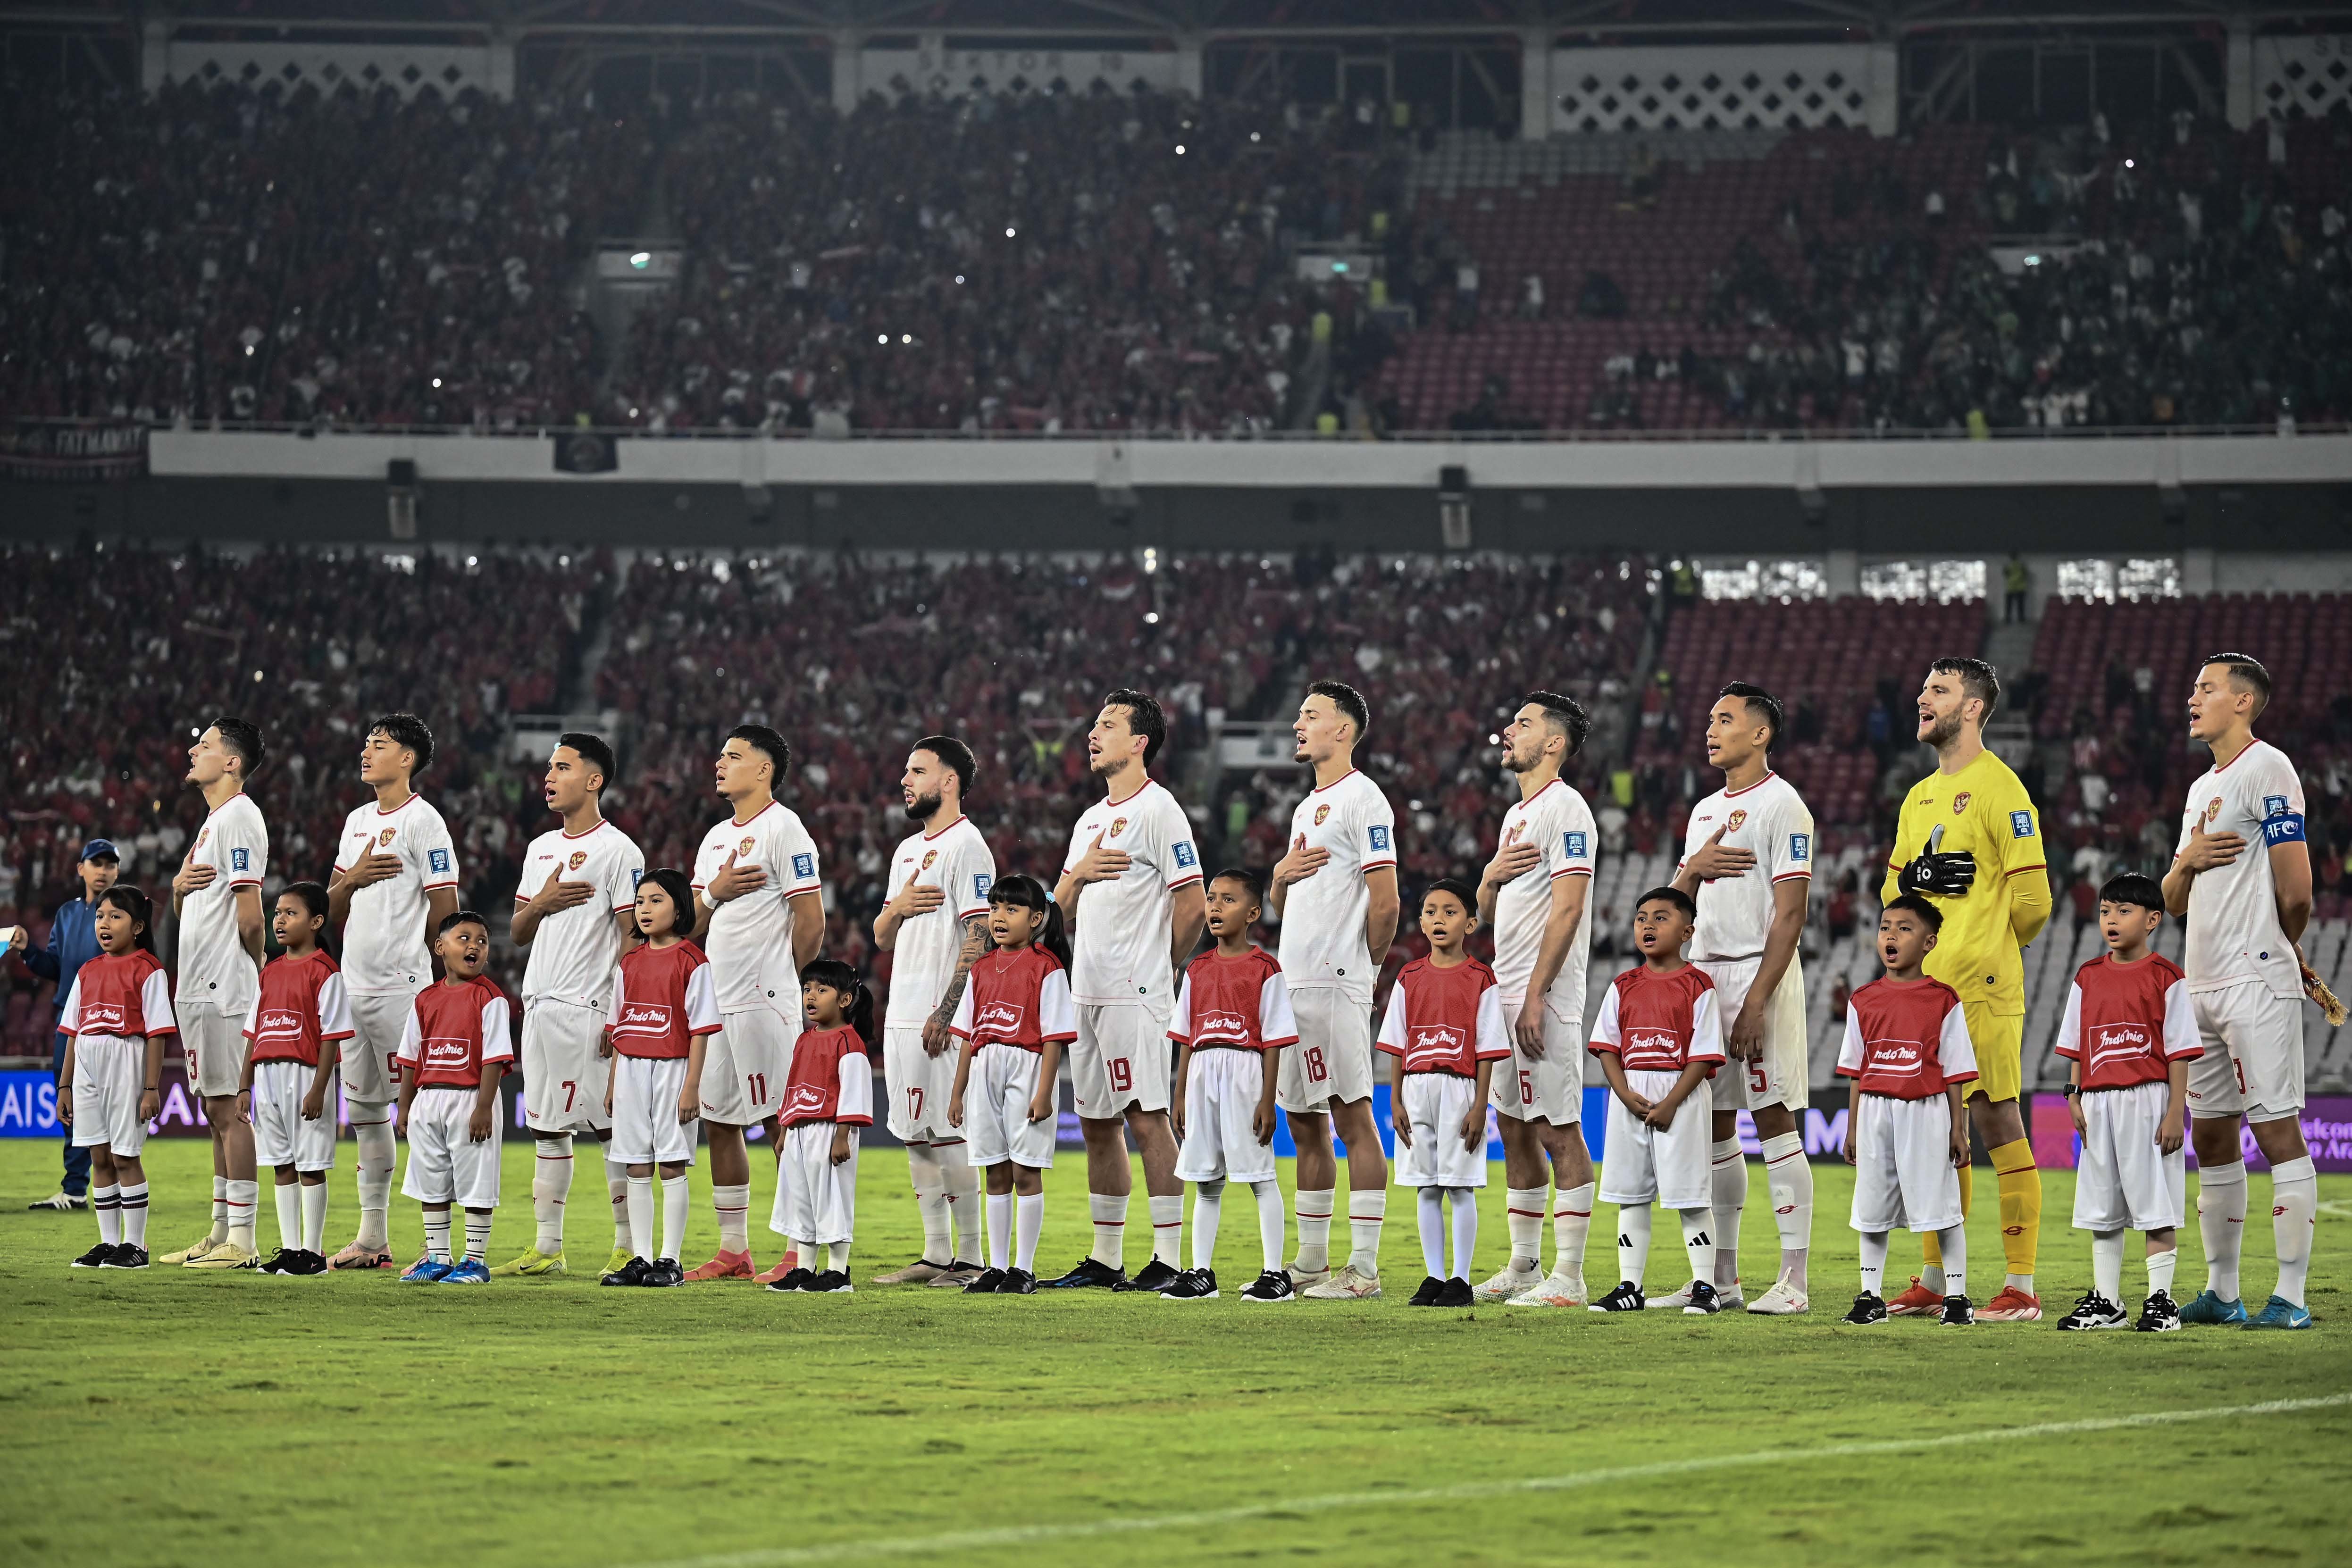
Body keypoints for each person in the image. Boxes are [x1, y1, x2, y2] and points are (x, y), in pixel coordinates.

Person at [1878, 658, 2051, 1321]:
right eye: (1923, 688)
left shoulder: (2001, 788)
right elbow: (1890, 894)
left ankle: (2022, 1287)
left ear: (1973, 708)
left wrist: (1984, 944)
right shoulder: (1919, 796)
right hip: (1926, 990)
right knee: (1933, 1137)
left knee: (1997, 1120)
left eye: (1939, 690)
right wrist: (1918, 876)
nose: (1922, 698)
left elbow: (2034, 901)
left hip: (1979, 986)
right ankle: (1934, 1277)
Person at [2161, 654, 2319, 1330]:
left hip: (2256, 979)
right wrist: (2186, 861)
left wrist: (2284, 946)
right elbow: (2170, 901)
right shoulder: (2202, 790)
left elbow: (2298, 888)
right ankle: (2222, 1293)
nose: (2192, 698)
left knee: (2276, 1130)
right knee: (2215, 1138)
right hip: (2202, 982)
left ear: (2245, 701)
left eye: (2206, 688)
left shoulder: (2270, 768)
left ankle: (2291, 1296)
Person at [1050, 690, 1205, 1292]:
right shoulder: (1090, 820)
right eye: (1093, 724)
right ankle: (1105, 1257)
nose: (1093, 733)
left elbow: (1190, 903)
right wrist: (1078, 872)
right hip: (1085, 989)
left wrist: (1159, 966)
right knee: (1095, 1123)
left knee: (1146, 1116)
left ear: (1139, 742)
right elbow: (1056, 910)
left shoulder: (1160, 811)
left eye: (1107, 725)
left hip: (1134, 990)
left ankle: (1167, 1256)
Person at [1672, 683, 1816, 1314]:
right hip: (1705, 978)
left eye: (1726, 720)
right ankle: (1720, 1278)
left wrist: (1757, 999)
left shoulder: (1784, 806)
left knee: (1774, 1117)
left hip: (1760, 975)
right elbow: (1673, 908)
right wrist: (1691, 869)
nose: (1712, 728)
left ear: (1760, 733)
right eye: (1710, 719)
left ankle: (1794, 1280)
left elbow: (1791, 915)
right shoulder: (1703, 811)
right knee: (1712, 1123)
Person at [1267, 681, 1399, 1301]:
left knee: (1351, 1117)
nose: (1299, 724)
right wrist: (1276, 878)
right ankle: (1312, 1261)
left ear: (1342, 730)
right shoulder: (1305, 808)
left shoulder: (1364, 798)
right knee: (1303, 1120)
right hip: (1296, 983)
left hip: (1337, 982)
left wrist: (1363, 970)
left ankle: (1365, 1271)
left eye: (1311, 715)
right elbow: (1285, 902)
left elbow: (1387, 901)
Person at [497, 733, 646, 1280]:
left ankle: (628, 1245)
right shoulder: (539, 850)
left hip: (591, 1006)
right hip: (539, 1002)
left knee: (611, 1129)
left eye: (562, 767)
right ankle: (548, 1246)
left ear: (593, 779)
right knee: (546, 1128)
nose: (549, 777)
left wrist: (619, 1012)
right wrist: (542, 902)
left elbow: (633, 937)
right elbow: (516, 932)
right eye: (549, 767)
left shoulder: (619, 851)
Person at [1472, 692, 1601, 1309]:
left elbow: (1570, 906)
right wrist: (1487, 880)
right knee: (1514, 1129)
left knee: (1556, 1130)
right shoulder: (1515, 816)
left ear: (1553, 744)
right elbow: (1486, 915)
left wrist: (1534, 994)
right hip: (1506, 987)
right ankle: (1524, 1265)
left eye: (1521, 724)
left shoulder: (1566, 810)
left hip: (1541, 995)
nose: (1507, 730)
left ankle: (1569, 1278)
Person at [689, 725, 825, 1283]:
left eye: (734, 756)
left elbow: (811, 920)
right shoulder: (716, 837)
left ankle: (801, 1247)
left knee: (778, 1120)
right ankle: (734, 1249)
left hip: (766, 998)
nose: (720, 763)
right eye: (720, 754)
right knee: (719, 1120)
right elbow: (694, 923)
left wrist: (785, 983)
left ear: (764, 769)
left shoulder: (785, 829)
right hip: (720, 999)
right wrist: (712, 892)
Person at [326, 713, 461, 1270]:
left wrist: (434, 978)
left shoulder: (425, 821)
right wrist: (352, 878)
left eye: (378, 745)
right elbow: (331, 909)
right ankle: (373, 1238)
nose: (366, 751)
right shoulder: (357, 821)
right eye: (366, 742)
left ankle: (440, 1247)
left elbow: (446, 906)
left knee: (426, 1116)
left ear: (406, 758)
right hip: (355, 986)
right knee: (365, 1114)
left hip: (404, 989)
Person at [870, 736, 996, 1286]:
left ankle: (968, 1257)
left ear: (949, 782)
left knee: (948, 1133)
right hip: (901, 1010)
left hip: (938, 1015)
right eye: (905, 770)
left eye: (917, 771)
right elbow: (880, 937)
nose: (905, 780)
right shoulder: (904, 852)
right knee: (914, 1133)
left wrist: (949, 1011)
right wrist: (896, 906)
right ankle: (935, 1253)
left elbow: (980, 933)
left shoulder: (968, 846)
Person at [2052, 872, 2197, 1333]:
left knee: (2155, 1206)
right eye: (2104, 911)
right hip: (2096, 1103)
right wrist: (2073, 1094)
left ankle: (2160, 1302)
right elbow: (2075, 1044)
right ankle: (2107, 1303)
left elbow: (2178, 1053)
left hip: (2148, 1101)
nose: (2110, 920)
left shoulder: (2166, 978)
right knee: (2102, 1207)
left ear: (2152, 919)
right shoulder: (2087, 976)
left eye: (2123, 911)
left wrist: (2176, 1111)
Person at [1587, 887, 1728, 1315]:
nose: (1648, 926)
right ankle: (1630, 1286)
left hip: (1679, 1099)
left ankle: (1706, 1287)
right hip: (1630, 1098)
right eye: (1641, 918)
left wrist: (1669, 1102)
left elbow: (1704, 1056)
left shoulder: (1698, 986)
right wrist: (1623, 1092)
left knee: (1689, 1196)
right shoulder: (1623, 985)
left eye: (1661, 918)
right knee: (1631, 1195)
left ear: (1687, 931)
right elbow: (1607, 1046)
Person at [1839, 896, 1977, 1327]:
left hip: (1927, 1112)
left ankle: (1956, 1298)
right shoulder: (1862, 1000)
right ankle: (1869, 1297)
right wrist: (1852, 1128)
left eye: (1904, 928)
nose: (1891, 935)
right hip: (1876, 1113)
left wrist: (1959, 1128)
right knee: (1871, 1209)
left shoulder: (1942, 1000)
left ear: (1929, 942)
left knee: (1942, 1209)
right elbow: (1856, 1073)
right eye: (1885, 927)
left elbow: (1955, 1072)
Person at [1162, 868, 1298, 1303]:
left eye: (1228, 900)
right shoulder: (1197, 968)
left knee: (1260, 1176)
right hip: (1202, 1072)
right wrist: (1179, 1094)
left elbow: (1275, 1039)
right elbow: (1185, 1038)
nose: (1215, 907)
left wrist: (1268, 1099)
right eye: (1211, 899)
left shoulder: (1265, 968)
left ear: (1253, 912)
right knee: (1205, 1180)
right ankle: (1201, 1272)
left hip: (1245, 1072)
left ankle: (1275, 1275)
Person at [164, 717, 270, 1268]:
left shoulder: (240, 818)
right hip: (199, 982)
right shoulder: (212, 823)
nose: (192, 750)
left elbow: (250, 914)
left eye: (203, 745)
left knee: (231, 1110)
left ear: (231, 762)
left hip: (224, 984)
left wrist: (257, 967)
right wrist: (179, 891)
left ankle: (244, 1242)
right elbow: (199, 909)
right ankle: (220, 1230)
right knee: (213, 1110)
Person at [1380, 878, 1509, 1309]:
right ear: (1420, 921)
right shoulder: (1409, 976)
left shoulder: (1480, 978)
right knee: (1426, 1188)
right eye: (1431, 911)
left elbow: (1489, 1048)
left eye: (1450, 912)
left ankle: (1460, 1279)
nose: (1439, 919)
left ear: (1470, 923)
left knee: (1459, 1187)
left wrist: (1480, 1106)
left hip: (1461, 1089)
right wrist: (1395, 1100)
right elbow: (1397, 1044)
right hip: (1416, 1089)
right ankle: (1434, 1276)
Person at [946, 875, 1077, 1296]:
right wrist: (957, 1090)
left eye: (1012, 909)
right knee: (995, 1171)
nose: (999, 917)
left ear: (1037, 918)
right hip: (986, 1067)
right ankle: (997, 1267)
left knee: (1025, 1170)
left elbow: (1055, 1035)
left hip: (1028, 1066)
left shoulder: (1047, 967)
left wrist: (1044, 1091)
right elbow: (968, 1034)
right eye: (995, 908)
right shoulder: (982, 968)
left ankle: (1024, 1268)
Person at [600, 869, 720, 1288]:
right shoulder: (629, 962)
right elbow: (620, 1026)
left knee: (670, 1163)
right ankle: (641, 1258)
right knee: (635, 1163)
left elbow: (703, 1029)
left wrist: (692, 1085)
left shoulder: (692, 961)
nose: (645, 909)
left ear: (679, 907)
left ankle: (670, 1260)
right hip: (631, 1068)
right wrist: (614, 1081)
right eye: (640, 902)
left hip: (672, 1070)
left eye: (656, 900)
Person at [239, 882, 352, 1276]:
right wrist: (244, 1086)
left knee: (310, 1164)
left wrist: (320, 1089)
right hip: (268, 1077)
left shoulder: (325, 972)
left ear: (317, 921)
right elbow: (254, 1032)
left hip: (305, 1077)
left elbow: (332, 1036)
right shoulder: (268, 972)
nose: (280, 920)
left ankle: (314, 1254)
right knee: (281, 1164)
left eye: (292, 913)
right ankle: (290, 1251)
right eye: (278, 912)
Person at [393, 909, 511, 1285]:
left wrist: (484, 1107)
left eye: (481, 941)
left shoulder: (490, 998)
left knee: (476, 1183)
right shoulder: (425, 998)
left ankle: (474, 1262)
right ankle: (438, 1258)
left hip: (471, 1098)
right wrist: (405, 1104)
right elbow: (410, 1056)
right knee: (432, 1182)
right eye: (464, 938)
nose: (474, 945)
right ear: (439, 947)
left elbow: (495, 1058)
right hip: (429, 1099)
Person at [58, 884, 172, 1269]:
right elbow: (74, 1032)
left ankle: (135, 1246)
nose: (105, 924)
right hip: (88, 1065)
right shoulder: (87, 971)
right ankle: (109, 1243)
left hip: (127, 1062)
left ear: (138, 926)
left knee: (125, 1156)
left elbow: (157, 1032)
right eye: (100, 917)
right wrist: (65, 1085)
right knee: (99, 1156)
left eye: (116, 917)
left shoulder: (149, 970)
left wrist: (151, 1088)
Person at [11, 838, 119, 1211]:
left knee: (112, 1109)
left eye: (110, 865)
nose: (103, 870)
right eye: (97, 863)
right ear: (81, 869)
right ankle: (75, 1190)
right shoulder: (68, 914)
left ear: (117, 871)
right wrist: (28, 950)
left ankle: (119, 1184)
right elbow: (55, 968)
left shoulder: (124, 912)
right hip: (68, 1023)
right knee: (70, 1105)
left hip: (110, 1022)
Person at [765, 958, 873, 1295]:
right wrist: (784, 1131)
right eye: (807, 989)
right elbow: (792, 1085)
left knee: (832, 1202)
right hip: (798, 1132)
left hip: (829, 1133)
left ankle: (838, 1273)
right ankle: (803, 1268)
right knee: (802, 1202)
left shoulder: (848, 1042)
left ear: (844, 1000)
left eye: (821, 990)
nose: (811, 996)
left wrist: (842, 1136)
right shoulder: (804, 1039)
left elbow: (854, 1091)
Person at [2003, 554, 2030, 623]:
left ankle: (2008, 619)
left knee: (2009, 606)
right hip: (2020, 588)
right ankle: (2021, 619)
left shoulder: (2008, 565)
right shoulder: (2021, 565)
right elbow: (2026, 574)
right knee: (2020, 605)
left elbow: (2005, 574)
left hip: (2011, 588)